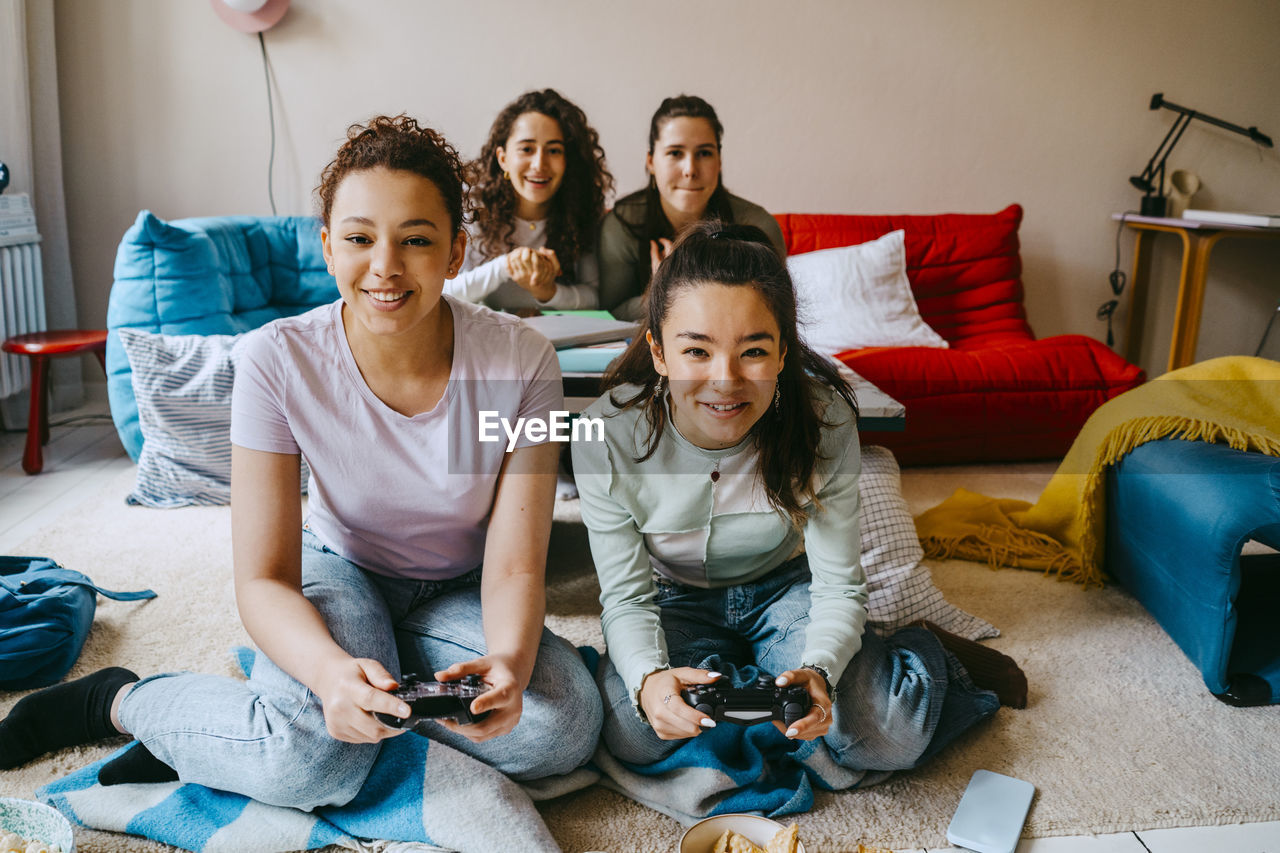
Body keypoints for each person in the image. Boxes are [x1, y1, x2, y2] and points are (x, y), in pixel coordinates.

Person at [0, 115, 602, 808]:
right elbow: (264, 578)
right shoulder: (274, 360)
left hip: (461, 582)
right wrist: (327, 672)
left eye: (416, 240)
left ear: (457, 251)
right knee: (310, 766)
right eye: (358, 239)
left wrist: (509, 662)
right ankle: (120, 701)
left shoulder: (522, 360)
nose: (385, 266)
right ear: (327, 246)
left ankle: (348, 692)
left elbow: (518, 563)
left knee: (565, 727)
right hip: (339, 566)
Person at [572, 221, 1026, 771]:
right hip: (674, 599)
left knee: (888, 738)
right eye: (696, 350)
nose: (725, 381)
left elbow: (839, 584)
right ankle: (764, 692)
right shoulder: (606, 434)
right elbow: (626, 599)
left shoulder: (824, 417)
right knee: (633, 733)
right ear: (659, 352)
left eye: (753, 351)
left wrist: (821, 669)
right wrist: (647, 678)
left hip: (785, 589)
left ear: (783, 353)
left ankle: (919, 656)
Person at [597, 95, 787, 321]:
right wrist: (664, 290)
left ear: (719, 161)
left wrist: (685, 285)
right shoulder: (622, 226)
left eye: (704, 153)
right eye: (675, 153)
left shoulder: (756, 225)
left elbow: (777, 312)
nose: (690, 169)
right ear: (651, 162)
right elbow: (609, 314)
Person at [447, 88, 613, 313]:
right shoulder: (473, 207)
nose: (539, 164)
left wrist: (547, 290)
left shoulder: (581, 212)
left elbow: (593, 299)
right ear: (503, 158)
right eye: (526, 149)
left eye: (554, 150)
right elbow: (446, 290)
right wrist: (507, 265)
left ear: (567, 161)